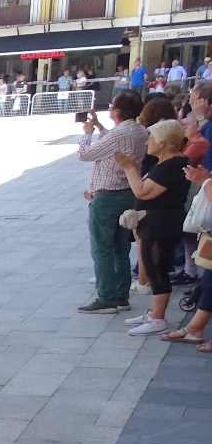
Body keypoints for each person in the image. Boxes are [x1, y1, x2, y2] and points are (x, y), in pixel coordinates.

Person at [116, 120, 193, 336]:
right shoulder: (166, 163)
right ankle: (153, 312)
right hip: (158, 222)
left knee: (156, 269)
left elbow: (142, 191)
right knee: (152, 267)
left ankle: (158, 319)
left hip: (162, 224)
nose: (147, 142)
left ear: (162, 142)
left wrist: (128, 168)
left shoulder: (171, 165)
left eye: (151, 138)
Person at [76, 89, 149, 314]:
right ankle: (121, 295)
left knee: (101, 249)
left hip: (107, 196)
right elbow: (113, 141)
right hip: (128, 192)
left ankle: (106, 298)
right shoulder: (140, 130)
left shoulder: (119, 134)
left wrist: (87, 134)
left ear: (117, 110)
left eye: (111, 106)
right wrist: (99, 126)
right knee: (121, 247)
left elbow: (85, 154)